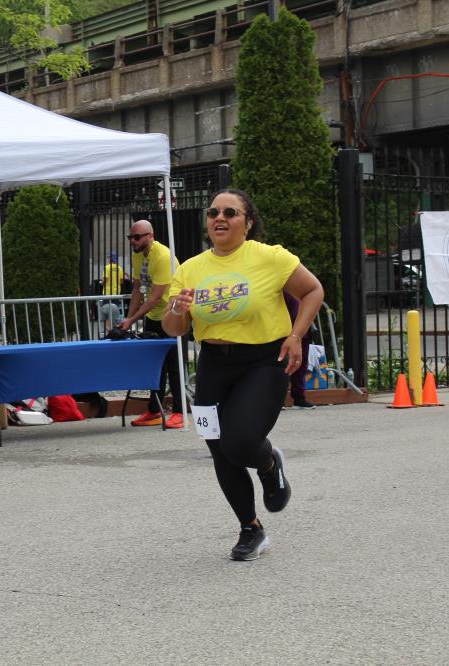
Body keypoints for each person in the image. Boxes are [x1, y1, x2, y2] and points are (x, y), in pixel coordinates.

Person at [163, 189, 324, 561]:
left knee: (239, 442)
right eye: (213, 212)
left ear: (248, 223)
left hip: (263, 361)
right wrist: (177, 309)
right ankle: (251, 528)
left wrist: (296, 335)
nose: (219, 218)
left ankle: (268, 463)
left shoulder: (270, 257)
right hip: (213, 364)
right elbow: (174, 328)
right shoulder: (190, 269)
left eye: (230, 212)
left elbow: (313, 290)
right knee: (219, 449)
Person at [118, 220, 184, 429]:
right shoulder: (138, 255)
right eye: (130, 237)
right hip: (154, 317)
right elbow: (137, 290)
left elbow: (155, 298)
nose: (133, 241)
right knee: (155, 366)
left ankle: (180, 412)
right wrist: (127, 319)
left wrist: (132, 320)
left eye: (137, 237)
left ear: (150, 236)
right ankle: (155, 411)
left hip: (172, 314)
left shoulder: (163, 257)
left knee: (174, 366)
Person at [284, 293, 314, 409]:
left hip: (302, 331)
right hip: (283, 331)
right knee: (281, 364)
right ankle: (278, 399)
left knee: (301, 364)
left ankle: (299, 398)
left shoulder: (304, 291)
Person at [98, 251, 124, 332]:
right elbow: (122, 281)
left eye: (108, 257)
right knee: (115, 311)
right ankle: (115, 328)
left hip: (108, 293)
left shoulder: (107, 267)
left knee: (106, 311)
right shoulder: (119, 268)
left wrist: (101, 282)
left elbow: (104, 280)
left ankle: (108, 329)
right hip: (116, 293)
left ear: (110, 259)